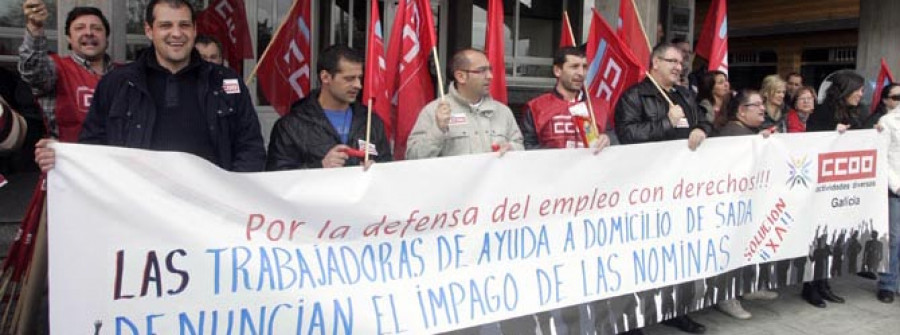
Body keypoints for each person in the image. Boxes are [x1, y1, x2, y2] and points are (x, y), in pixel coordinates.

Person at [34, 0, 265, 173]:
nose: (176, 33)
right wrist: (64, 156)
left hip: (210, 216)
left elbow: (250, 147)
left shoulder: (226, 82)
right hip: (140, 216)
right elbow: (94, 147)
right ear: (148, 30)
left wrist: (234, 199)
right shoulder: (116, 83)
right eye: (166, 25)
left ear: (194, 30)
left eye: (184, 25)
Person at [614, 42, 711, 334]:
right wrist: (665, 123)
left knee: (678, 252)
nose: (678, 67)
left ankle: (675, 310)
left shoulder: (684, 94)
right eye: (671, 61)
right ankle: (633, 321)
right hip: (647, 188)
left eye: (681, 62)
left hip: (682, 186)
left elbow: (704, 120)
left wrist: (701, 128)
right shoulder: (634, 96)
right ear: (654, 63)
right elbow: (628, 135)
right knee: (642, 256)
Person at [266, 45, 392, 170]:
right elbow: (277, 178)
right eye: (349, 79)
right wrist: (320, 167)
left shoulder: (371, 121)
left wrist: (377, 170)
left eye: (359, 78)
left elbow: (388, 170)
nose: (358, 85)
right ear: (325, 77)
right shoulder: (291, 126)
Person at [802, 70, 867, 307]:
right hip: (821, 187)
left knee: (831, 237)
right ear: (846, 89)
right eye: (858, 89)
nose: (861, 93)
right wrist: (832, 135)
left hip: (840, 187)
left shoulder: (854, 112)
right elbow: (810, 144)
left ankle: (824, 283)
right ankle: (810, 286)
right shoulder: (822, 112)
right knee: (818, 237)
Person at [713, 90, 776, 319]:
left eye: (763, 104)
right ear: (741, 110)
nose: (762, 108)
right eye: (756, 105)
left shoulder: (748, 132)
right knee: (732, 249)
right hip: (731, 206)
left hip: (746, 203)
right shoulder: (733, 134)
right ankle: (727, 298)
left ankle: (746, 287)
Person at [19, 0, 115, 143]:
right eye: (79, 28)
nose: (89, 32)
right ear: (69, 39)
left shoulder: (126, 74)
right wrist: (35, 27)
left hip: (115, 161)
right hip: (68, 162)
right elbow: (33, 71)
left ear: (106, 38)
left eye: (96, 28)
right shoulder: (56, 68)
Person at [405, 49, 523, 159]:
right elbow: (413, 157)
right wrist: (438, 129)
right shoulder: (433, 111)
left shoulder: (503, 112)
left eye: (490, 70)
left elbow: (521, 150)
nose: (490, 76)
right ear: (461, 76)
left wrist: (511, 148)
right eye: (481, 71)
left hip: (495, 181)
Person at [521, 46, 610, 151]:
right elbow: (526, 147)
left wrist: (609, 139)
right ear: (557, 71)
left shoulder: (600, 106)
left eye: (585, 67)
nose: (581, 73)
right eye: (574, 67)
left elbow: (616, 140)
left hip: (592, 166)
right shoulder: (536, 107)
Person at [876, 82, 900, 304]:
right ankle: (887, 283)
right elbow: (881, 157)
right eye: (896, 97)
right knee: (894, 239)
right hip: (894, 189)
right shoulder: (886, 121)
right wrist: (896, 185)